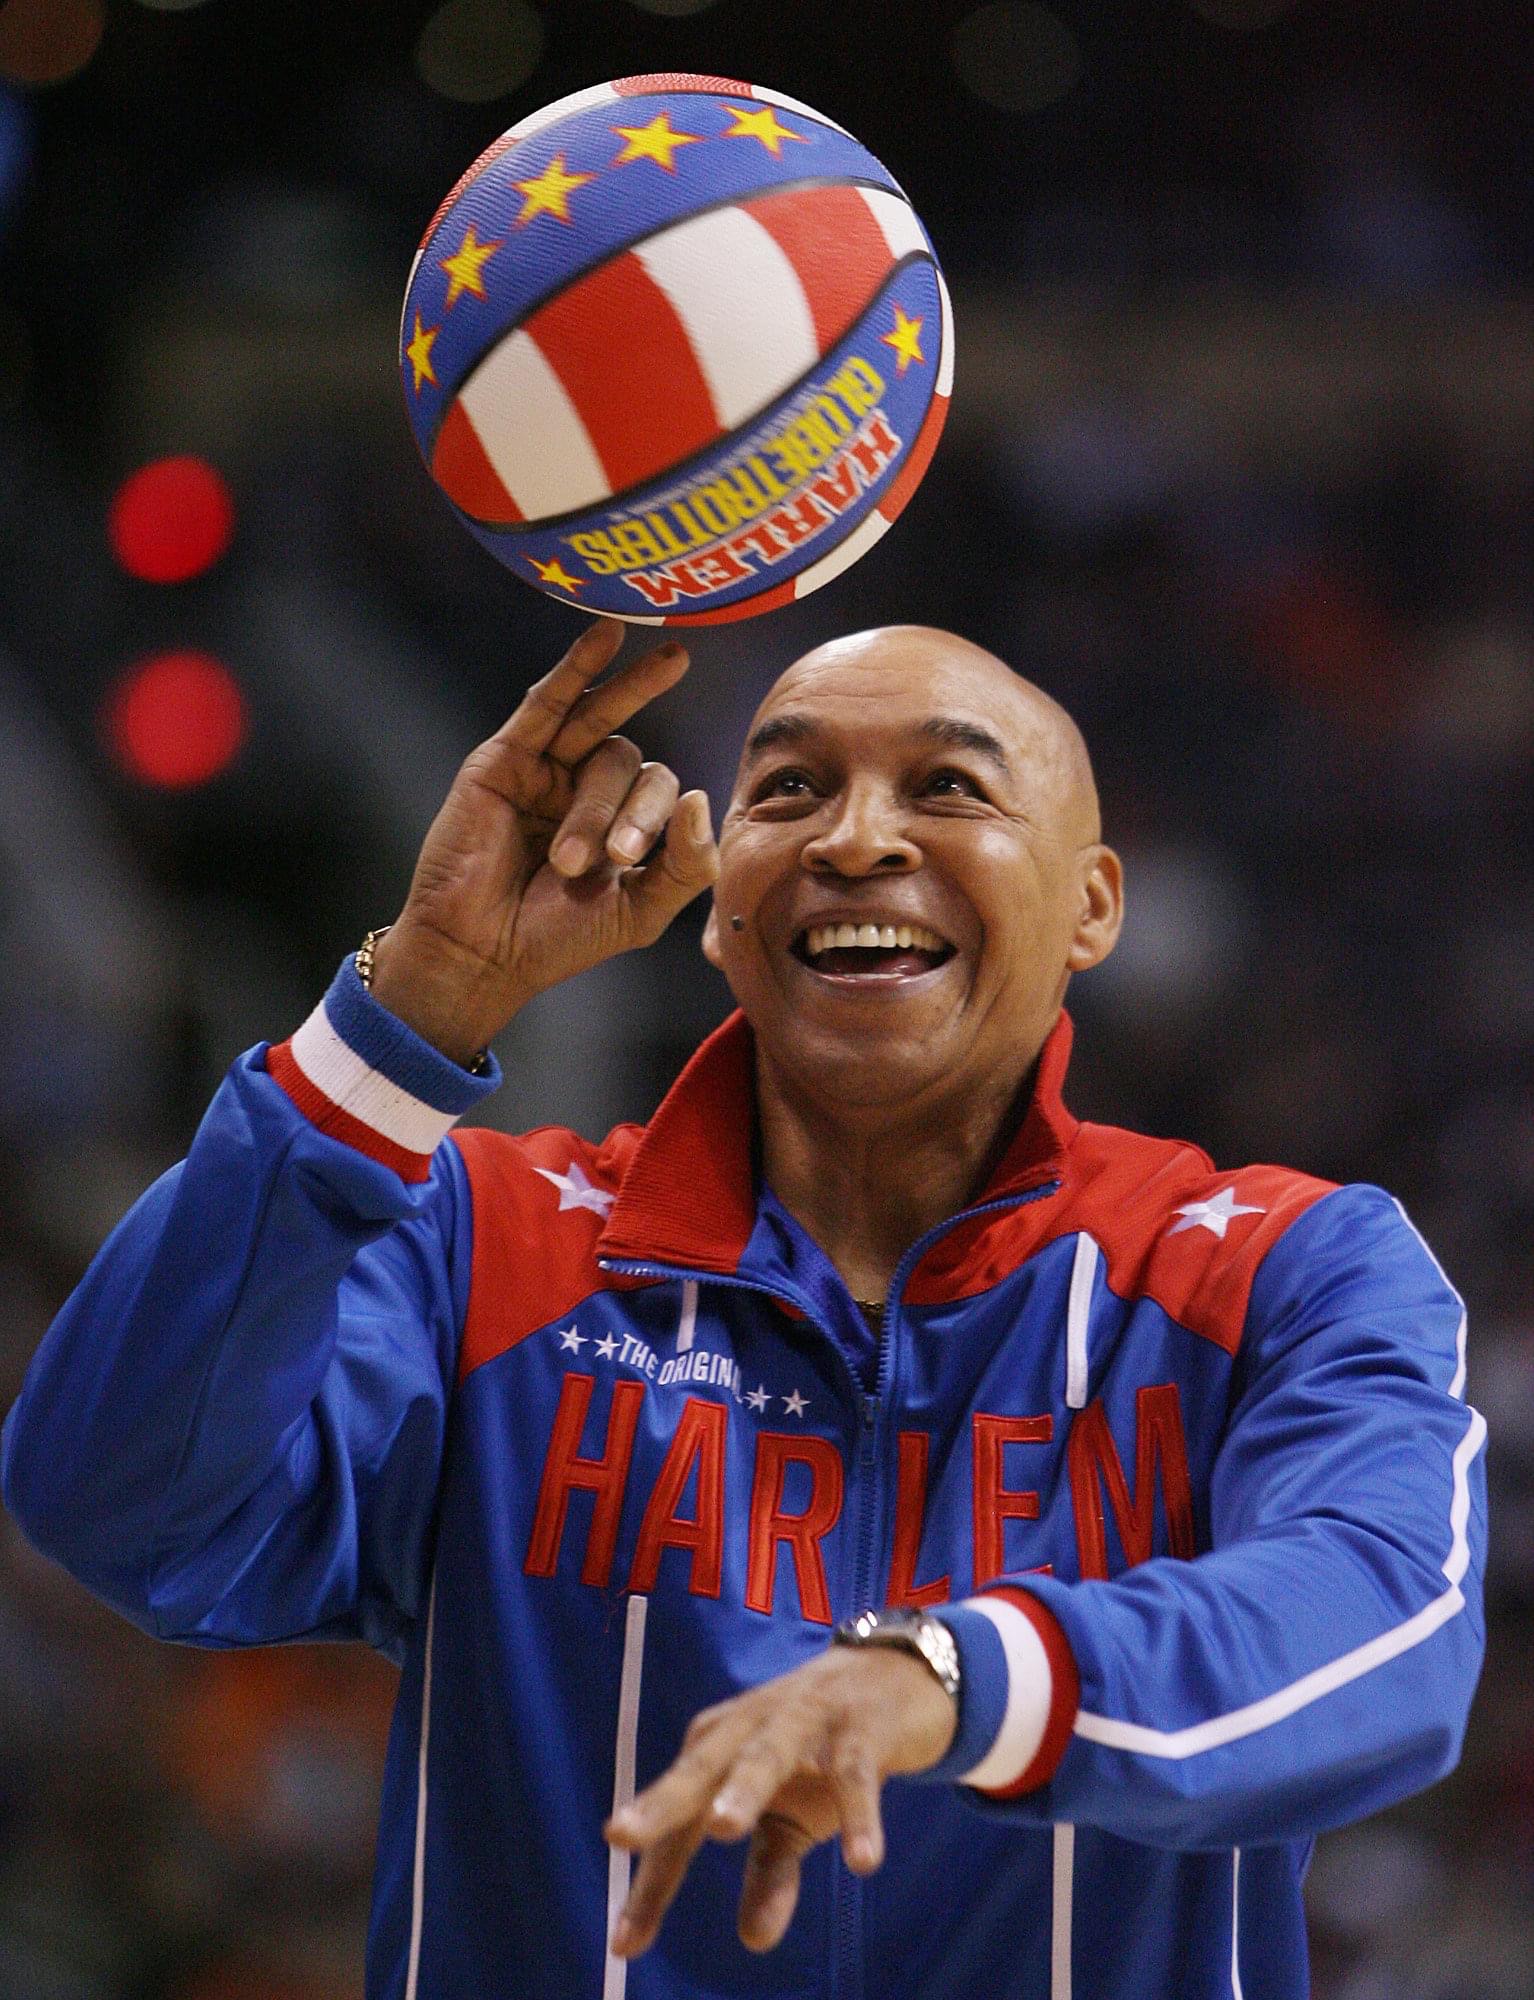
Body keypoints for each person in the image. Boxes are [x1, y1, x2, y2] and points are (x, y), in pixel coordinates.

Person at [3, 620, 1487, 2000]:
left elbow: (1385, 1628)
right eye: (788, 790)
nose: (853, 839)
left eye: (948, 787)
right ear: (719, 915)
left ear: (1091, 905)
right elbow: (119, 1504)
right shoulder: (486, 1244)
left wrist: (948, 1680)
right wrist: (409, 1016)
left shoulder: (1282, 1268)